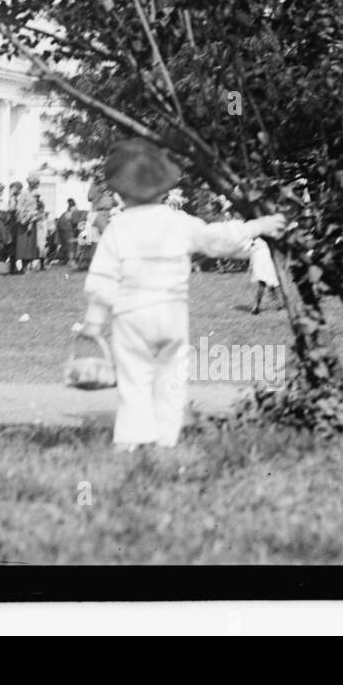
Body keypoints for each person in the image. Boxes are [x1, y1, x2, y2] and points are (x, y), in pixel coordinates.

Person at [76, 138, 285, 452]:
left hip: (131, 314)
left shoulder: (118, 228)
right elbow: (216, 239)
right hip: (170, 313)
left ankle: (131, 440)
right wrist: (257, 225)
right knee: (171, 379)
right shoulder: (178, 222)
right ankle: (166, 440)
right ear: (164, 189)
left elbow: (103, 278)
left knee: (134, 380)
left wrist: (94, 320)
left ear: (120, 192)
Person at [247, 235, 281, 314]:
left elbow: (251, 249)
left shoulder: (254, 237)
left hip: (260, 260)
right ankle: (278, 302)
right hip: (265, 259)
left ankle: (277, 302)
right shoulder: (265, 236)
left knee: (267, 283)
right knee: (270, 282)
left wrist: (251, 264)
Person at [14, 178, 41, 272]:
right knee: (24, 244)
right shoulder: (24, 194)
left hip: (32, 221)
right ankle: (23, 267)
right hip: (24, 222)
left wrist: (33, 216)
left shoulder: (35, 194)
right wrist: (26, 217)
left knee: (30, 244)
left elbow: (35, 207)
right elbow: (19, 207)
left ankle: (28, 265)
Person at [56, 198, 81, 266]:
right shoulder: (74, 210)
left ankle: (69, 259)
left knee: (68, 244)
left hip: (64, 229)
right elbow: (76, 221)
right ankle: (71, 260)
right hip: (68, 228)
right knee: (71, 244)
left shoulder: (66, 212)